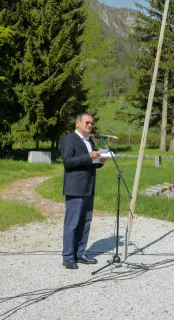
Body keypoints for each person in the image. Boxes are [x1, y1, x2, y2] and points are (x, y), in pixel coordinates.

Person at [60, 113, 106, 269]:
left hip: (89, 187)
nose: (90, 125)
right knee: (72, 223)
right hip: (75, 188)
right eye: (87, 122)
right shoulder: (68, 139)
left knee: (85, 223)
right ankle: (67, 257)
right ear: (77, 123)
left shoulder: (90, 142)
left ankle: (80, 254)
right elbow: (68, 162)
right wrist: (89, 156)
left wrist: (100, 161)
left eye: (91, 123)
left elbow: (91, 163)